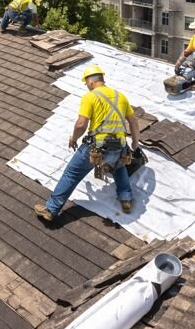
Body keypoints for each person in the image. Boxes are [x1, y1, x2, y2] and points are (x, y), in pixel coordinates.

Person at [35, 65, 140, 221]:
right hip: (119, 147)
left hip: (97, 148)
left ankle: (51, 209)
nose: (87, 86)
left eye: (86, 83)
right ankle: (126, 199)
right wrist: (135, 143)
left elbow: (81, 124)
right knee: (119, 167)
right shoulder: (121, 96)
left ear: (90, 82)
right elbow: (133, 121)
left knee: (71, 174)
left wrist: (74, 138)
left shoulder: (90, 97)